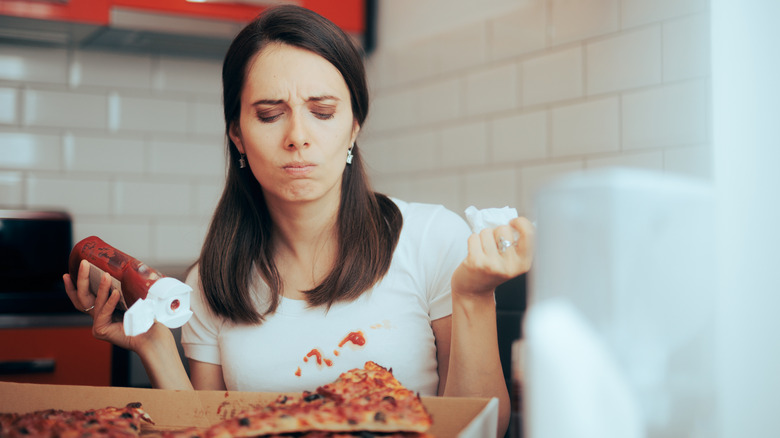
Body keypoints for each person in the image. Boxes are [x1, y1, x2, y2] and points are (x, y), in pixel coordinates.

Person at [63, 5, 534, 437]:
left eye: (323, 112)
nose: (298, 137)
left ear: (354, 125)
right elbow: (208, 429)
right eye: (270, 115)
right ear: (237, 135)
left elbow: (483, 427)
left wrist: (474, 296)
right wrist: (154, 346)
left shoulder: (432, 239)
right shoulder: (210, 282)